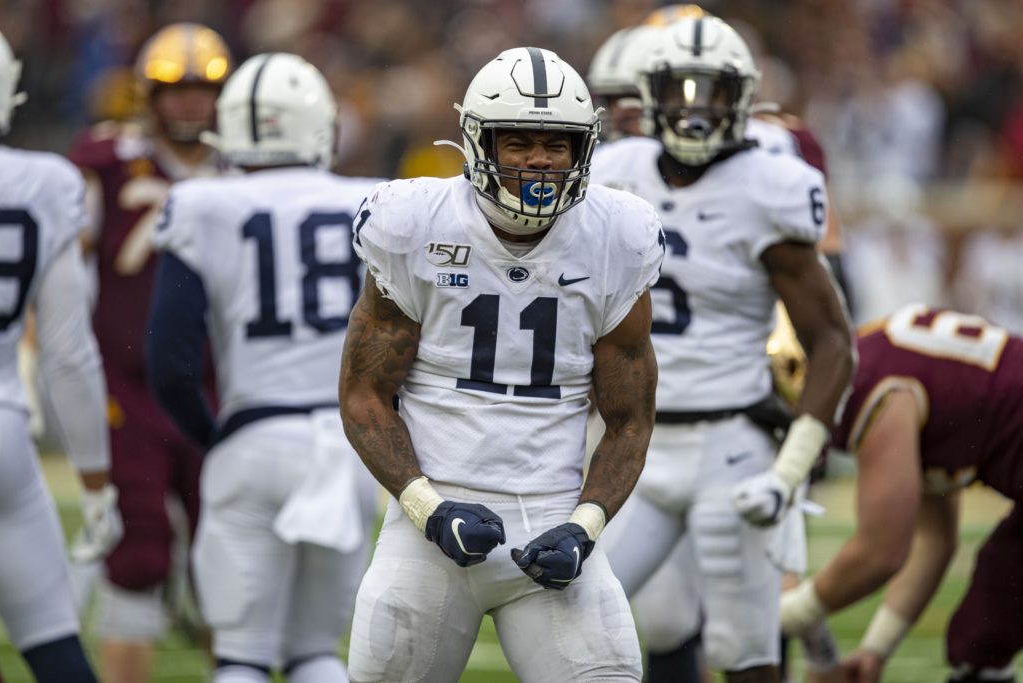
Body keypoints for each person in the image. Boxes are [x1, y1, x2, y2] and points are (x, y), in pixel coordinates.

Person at [339, 46, 664, 683]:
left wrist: (584, 526)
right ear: (478, 143)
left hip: (553, 527)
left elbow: (631, 420)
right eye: (518, 142)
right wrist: (428, 509)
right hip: (429, 530)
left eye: (557, 144)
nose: (540, 160)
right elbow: (364, 396)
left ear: (584, 149)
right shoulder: (415, 224)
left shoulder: (617, 235)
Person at [592, 16, 853, 682]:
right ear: (649, 93)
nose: (693, 107)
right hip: (636, 444)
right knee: (573, 612)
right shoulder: (613, 172)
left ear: (742, 98)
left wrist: (788, 471)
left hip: (732, 444)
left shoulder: (770, 183)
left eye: (711, 90)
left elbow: (832, 341)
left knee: (744, 654)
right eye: (677, 88)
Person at [146, 52, 378, 683]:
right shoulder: (375, 201)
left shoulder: (201, 204)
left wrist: (216, 438)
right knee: (316, 654)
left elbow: (169, 363)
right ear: (321, 125)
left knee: (242, 656)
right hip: (349, 445)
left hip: (255, 435)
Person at [67, 22, 231, 683]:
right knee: (136, 551)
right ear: (149, 95)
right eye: (175, 89)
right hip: (127, 384)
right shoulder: (105, 163)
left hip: (217, 384)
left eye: (203, 89)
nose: (190, 103)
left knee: (228, 551)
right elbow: (65, 267)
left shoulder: (243, 167)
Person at [781, 302, 1023, 683]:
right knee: (983, 633)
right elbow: (933, 539)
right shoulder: (882, 358)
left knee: (986, 627)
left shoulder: (871, 386)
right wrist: (877, 648)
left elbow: (880, 552)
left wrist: (785, 616)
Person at [0, 28, 121, 683]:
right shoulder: (45, 183)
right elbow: (68, 352)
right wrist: (96, 481)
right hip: (5, 439)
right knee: (56, 650)